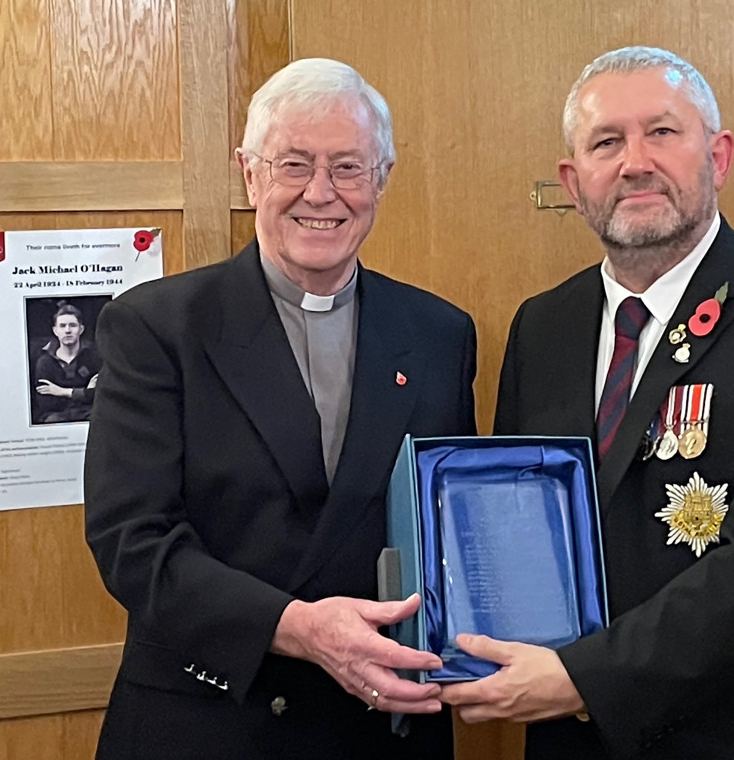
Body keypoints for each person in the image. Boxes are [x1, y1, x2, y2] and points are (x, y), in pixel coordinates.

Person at [440, 46, 734, 759]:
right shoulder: (544, 326)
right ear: (574, 179)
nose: (635, 162)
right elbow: (522, 523)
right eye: (606, 142)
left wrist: (581, 679)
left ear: (718, 157)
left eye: (661, 132)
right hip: (576, 743)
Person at [84, 58, 476, 760]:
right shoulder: (158, 327)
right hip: (212, 722)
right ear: (250, 173)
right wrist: (298, 627)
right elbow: (131, 543)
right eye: (294, 163)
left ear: (383, 178)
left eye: (349, 167)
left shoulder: (441, 334)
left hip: (380, 727)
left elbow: (451, 529)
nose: (320, 193)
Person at [33, 301, 101, 423]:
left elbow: (100, 395)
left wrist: (61, 392)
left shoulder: (94, 357)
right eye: (62, 326)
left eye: (72, 325)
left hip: (89, 415)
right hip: (56, 418)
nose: (68, 330)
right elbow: (46, 403)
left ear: (81, 329)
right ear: (55, 331)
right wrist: (83, 393)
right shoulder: (44, 362)